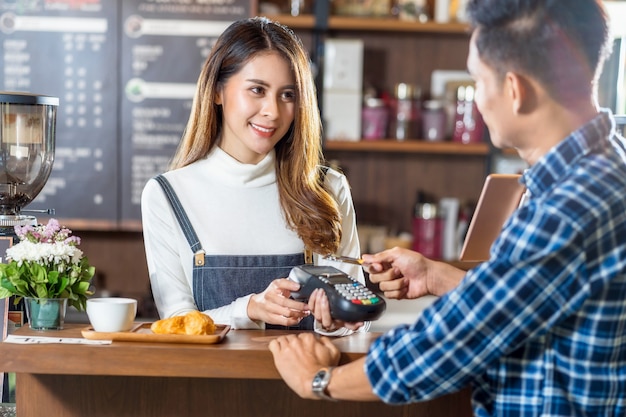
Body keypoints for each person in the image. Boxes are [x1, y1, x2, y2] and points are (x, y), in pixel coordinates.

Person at [269, 0, 626, 414]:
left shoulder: (566, 207)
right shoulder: (608, 164)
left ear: (514, 90)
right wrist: (439, 277)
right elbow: (526, 302)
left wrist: (320, 380)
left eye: (477, 80)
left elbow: (452, 343)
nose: (475, 99)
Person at [141, 17, 367, 335]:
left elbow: (354, 319)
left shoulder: (328, 187)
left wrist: (337, 322)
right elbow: (178, 323)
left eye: (287, 95)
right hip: (209, 383)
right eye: (257, 90)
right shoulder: (168, 194)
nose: (272, 111)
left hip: (306, 380)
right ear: (218, 91)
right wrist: (248, 309)